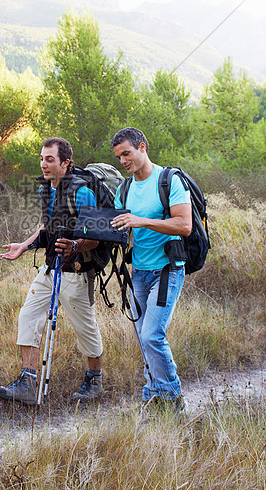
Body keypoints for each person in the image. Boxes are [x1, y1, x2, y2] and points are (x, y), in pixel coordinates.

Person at [0, 137, 104, 405]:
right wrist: (24, 245)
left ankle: (95, 378)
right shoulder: (48, 189)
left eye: (50, 159)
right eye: (42, 158)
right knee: (28, 316)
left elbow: (96, 237)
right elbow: (47, 227)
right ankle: (28, 382)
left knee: (85, 329)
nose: (44, 164)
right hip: (50, 268)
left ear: (65, 162)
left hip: (76, 272)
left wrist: (76, 245)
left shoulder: (82, 192)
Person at [109, 127, 192, 407]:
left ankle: (172, 398)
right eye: (119, 157)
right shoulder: (125, 188)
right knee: (143, 338)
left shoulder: (169, 180)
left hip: (167, 269)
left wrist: (140, 221)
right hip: (139, 273)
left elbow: (184, 225)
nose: (123, 161)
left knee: (151, 335)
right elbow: (120, 226)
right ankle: (152, 395)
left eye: (127, 153)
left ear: (142, 147)